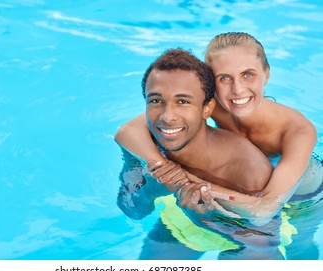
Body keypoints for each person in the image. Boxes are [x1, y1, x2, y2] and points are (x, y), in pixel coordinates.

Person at [115, 32, 319, 223]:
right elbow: (128, 132)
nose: (238, 90)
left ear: (266, 74)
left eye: (248, 75)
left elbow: (264, 211)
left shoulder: (298, 130)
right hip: (245, 193)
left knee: (300, 251)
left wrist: (187, 182)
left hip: (308, 197)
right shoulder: (213, 103)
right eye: (224, 78)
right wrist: (165, 170)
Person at [116, 48, 284, 259]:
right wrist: (150, 190)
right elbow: (131, 209)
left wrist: (204, 217)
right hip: (184, 223)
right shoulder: (145, 145)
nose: (167, 117)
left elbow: (264, 241)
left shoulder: (247, 167)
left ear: (207, 109)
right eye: (156, 100)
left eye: (183, 101)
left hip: (243, 236)